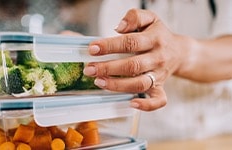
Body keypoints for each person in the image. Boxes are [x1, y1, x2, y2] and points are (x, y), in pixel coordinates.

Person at [82, 0, 232, 140]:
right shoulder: (118, 3)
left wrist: (179, 53)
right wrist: (83, 58)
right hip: (151, 137)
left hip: (220, 134)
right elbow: (117, 63)